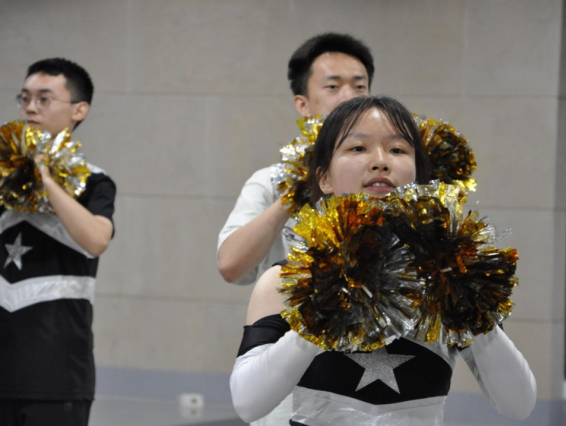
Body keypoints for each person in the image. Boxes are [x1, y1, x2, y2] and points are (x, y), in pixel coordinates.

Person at [230, 96, 537, 425]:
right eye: (358, 148)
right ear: (324, 178)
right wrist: (316, 318)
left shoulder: (452, 275)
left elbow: (519, 404)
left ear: (419, 175)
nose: (380, 162)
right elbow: (248, 404)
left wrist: (471, 309)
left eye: (398, 150)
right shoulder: (285, 281)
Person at [0, 58, 116, 426]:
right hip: (0, 363)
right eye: (24, 97)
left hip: (59, 366)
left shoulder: (94, 181)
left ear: (79, 110)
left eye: (44, 99)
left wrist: (42, 177)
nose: (30, 107)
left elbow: (97, 240)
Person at [217, 33, 374, 286]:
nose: (349, 97)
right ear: (303, 105)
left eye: (359, 87)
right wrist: (294, 194)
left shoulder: (389, 173)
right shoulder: (269, 181)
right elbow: (231, 267)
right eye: (332, 87)